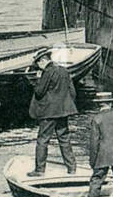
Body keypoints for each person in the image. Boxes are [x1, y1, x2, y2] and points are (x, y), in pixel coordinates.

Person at [27, 47, 78, 176]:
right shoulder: (64, 70)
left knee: (43, 140)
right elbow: (72, 92)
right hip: (63, 111)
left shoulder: (47, 72)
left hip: (49, 112)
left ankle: (39, 170)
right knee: (64, 138)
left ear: (43, 60)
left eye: (38, 63)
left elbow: (39, 92)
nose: (38, 66)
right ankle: (71, 168)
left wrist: (38, 80)